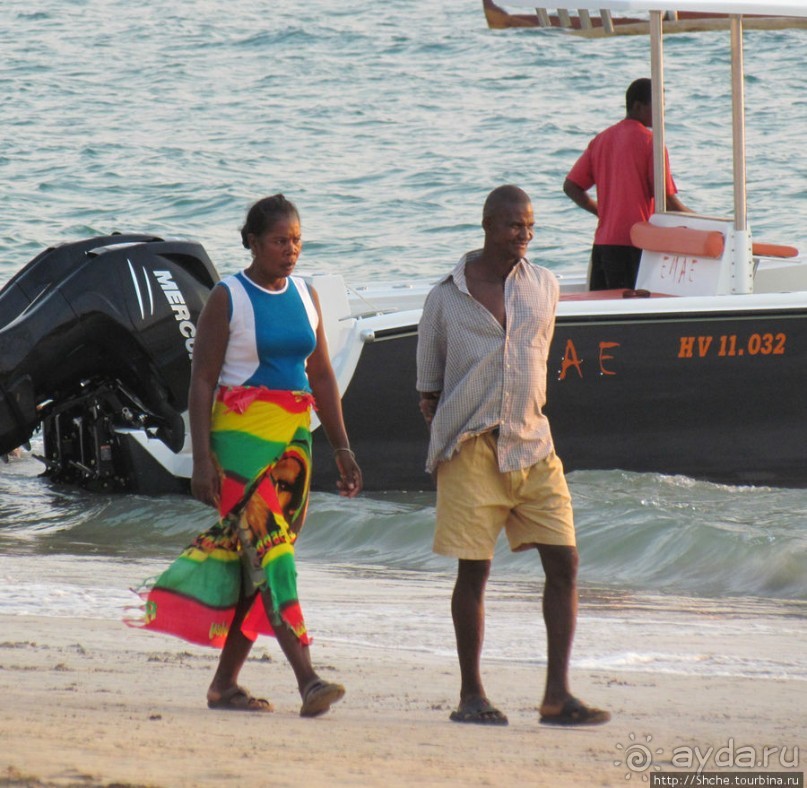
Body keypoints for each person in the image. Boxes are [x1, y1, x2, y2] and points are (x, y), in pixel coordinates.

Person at [135, 194, 362, 717]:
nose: (291, 250)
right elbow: (202, 381)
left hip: (293, 445)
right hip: (238, 443)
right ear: (254, 243)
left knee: (254, 567)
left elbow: (322, 375)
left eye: (297, 240)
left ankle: (224, 687)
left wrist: (342, 446)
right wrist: (201, 459)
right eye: (281, 241)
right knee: (271, 555)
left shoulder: (306, 296)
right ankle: (308, 679)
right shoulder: (228, 296)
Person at [416, 185, 609, 727]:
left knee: (565, 561)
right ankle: (471, 695)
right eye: (512, 226)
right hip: (471, 446)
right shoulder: (444, 299)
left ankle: (556, 696)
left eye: (529, 227)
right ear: (486, 225)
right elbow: (427, 389)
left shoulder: (544, 286)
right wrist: (458, 423)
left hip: (533, 443)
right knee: (475, 570)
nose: (523, 235)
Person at [563, 77, 691, 290]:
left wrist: (601, 212)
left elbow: (571, 186)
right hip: (635, 244)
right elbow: (666, 199)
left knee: (604, 311)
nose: (662, 113)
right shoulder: (651, 142)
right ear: (638, 106)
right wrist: (700, 221)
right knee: (637, 311)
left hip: (603, 244)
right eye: (658, 106)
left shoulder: (601, 139)